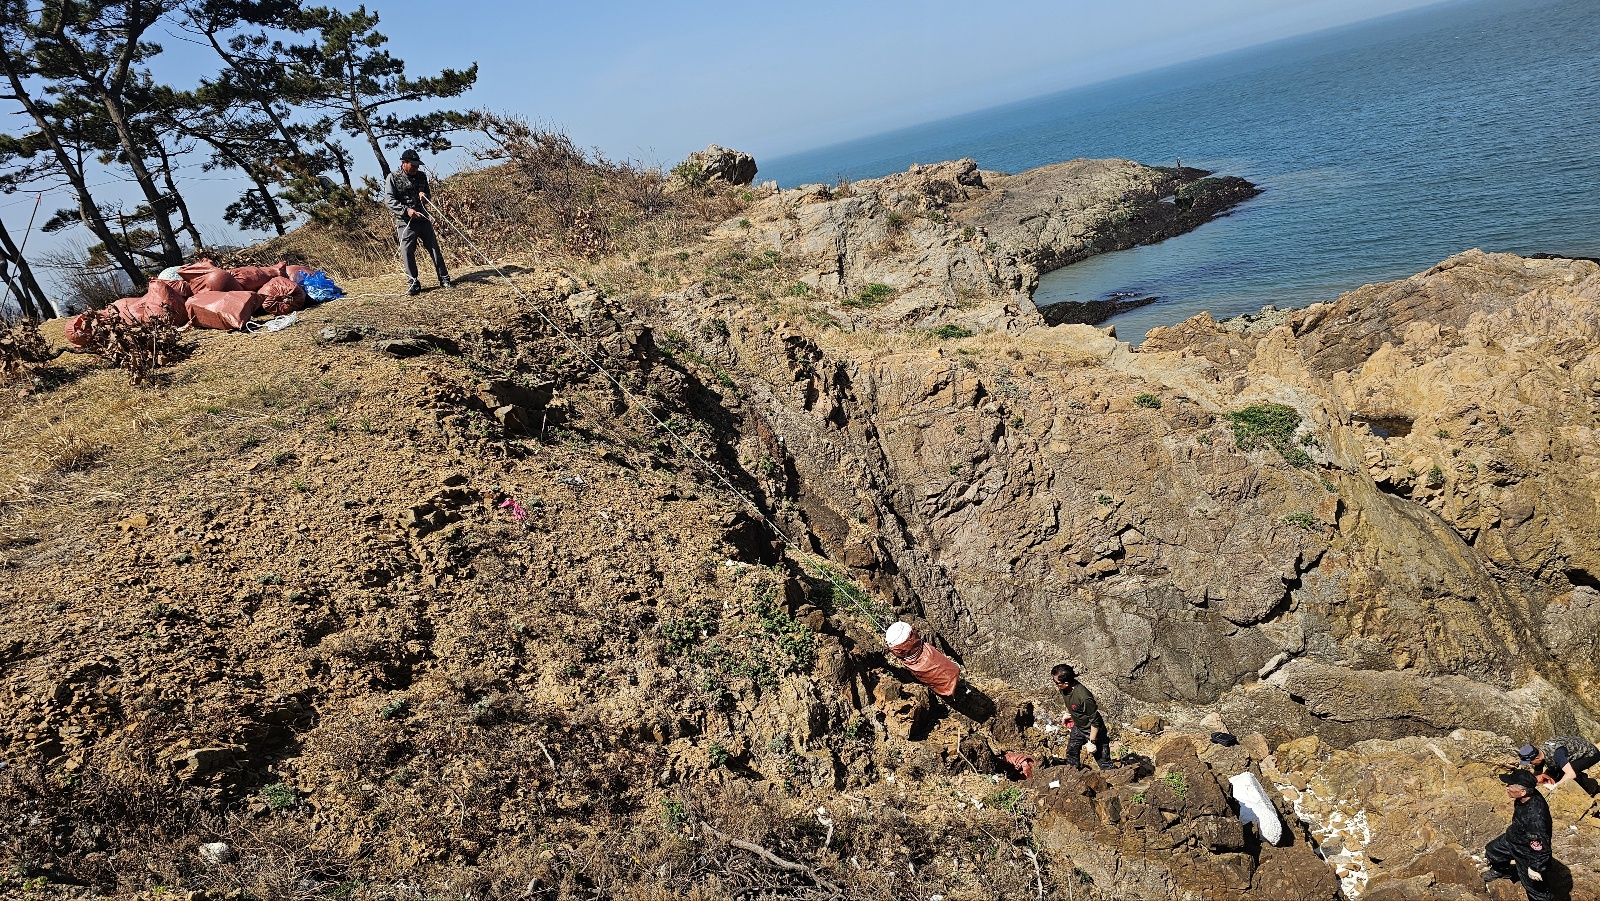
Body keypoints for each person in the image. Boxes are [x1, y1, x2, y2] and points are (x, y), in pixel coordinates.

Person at [384, 149, 452, 296]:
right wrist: (406, 210)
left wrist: (424, 196)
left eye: (417, 165)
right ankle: (413, 283)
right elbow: (389, 200)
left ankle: (444, 278)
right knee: (407, 251)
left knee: (434, 249)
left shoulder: (422, 176)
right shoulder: (393, 177)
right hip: (405, 222)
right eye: (413, 165)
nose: (416, 167)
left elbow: (428, 195)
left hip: (423, 219)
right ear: (404, 163)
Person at [1483, 769, 1553, 900]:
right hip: (1514, 838)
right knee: (1492, 850)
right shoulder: (1524, 797)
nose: (1507, 787)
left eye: (1510, 785)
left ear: (1523, 792)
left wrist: (1535, 867)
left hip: (1526, 852)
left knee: (1536, 889)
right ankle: (1501, 871)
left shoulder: (1535, 817)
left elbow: (1541, 846)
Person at [1052, 663, 1112, 770]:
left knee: (1103, 762)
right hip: (1079, 727)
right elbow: (1069, 701)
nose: (1055, 684)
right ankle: (1072, 771)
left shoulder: (1084, 697)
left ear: (1066, 683)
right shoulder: (1064, 688)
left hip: (1093, 731)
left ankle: (1114, 777)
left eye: (1057, 682)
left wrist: (1092, 742)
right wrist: (1068, 714)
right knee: (1072, 751)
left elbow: (1095, 722)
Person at [1520, 735, 1599, 787]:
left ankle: (1582, 784)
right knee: (1553, 771)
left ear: (1537, 758)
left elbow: (1571, 774)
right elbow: (1538, 772)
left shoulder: (1557, 754)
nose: (1530, 764)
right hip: (1571, 750)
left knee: (1568, 771)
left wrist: (1556, 786)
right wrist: (1534, 782)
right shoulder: (1540, 753)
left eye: (1530, 762)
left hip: (1591, 753)